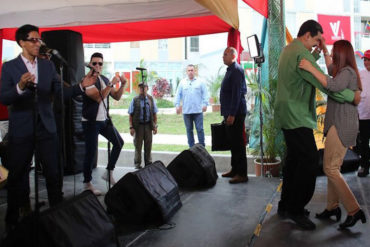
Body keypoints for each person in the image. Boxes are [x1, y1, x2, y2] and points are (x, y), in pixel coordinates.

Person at [0, 24, 96, 231]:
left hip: (47, 127)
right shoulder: (9, 68)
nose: (38, 44)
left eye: (39, 40)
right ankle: (12, 222)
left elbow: (62, 93)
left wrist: (81, 86)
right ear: (21, 42)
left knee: (54, 173)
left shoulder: (47, 66)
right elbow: (4, 97)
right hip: (22, 128)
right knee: (18, 174)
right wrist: (20, 86)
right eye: (33, 40)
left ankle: (58, 216)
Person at [274, 20, 360, 230]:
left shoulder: (289, 49)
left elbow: (310, 69)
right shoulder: (301, 54)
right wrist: (353, 96)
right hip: (297, 116)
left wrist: (319, 53)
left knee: (294, 161)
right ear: (307, 36)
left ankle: (286, 205)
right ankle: (296, 209)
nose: (317, 45)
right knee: (310, 160)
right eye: (316, 41)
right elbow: (328, 85)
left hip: (287, 114)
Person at [299, 39, 367, 229]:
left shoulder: (347, 73)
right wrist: (326, 51)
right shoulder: (343, 71)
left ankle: (354, 210)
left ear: (342, 54)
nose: (334, 55)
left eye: (335, 51)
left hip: (342, 125)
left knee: (330, 168)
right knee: (332, 166)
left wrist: (311, 69)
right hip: (339, 123)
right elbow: (330, 71)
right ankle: (332, 207)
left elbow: (333, 85)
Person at [82, 52, 125, 195]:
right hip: (91, 122)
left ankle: (108, 172)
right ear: (90, 64)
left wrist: (123, 84)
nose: (97, 66)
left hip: (104, 120)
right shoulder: (87, 80)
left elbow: (117, 96)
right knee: (90, 152)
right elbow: (98, 97)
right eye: (94, 63)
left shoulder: (104, 79)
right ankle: (87, 183)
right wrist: (111, 84)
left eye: (100, 63)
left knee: (119, 143)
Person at [219, 47, 248, 184]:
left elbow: (237, 94)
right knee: (233, 142)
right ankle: (235, 169)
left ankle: (242, 173)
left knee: (238, 143)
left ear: (233, 56)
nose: (223, 57)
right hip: (230, 112)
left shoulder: (236, 70)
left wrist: (232, 114)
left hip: (235, 113)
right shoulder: (231, 70)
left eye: (225, 54)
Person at [174, 64, 208, 147]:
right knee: (189, 130)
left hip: (198, 111)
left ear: (194, 71)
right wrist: (177, 105)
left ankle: (202, 147)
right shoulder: (182, 82)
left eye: (192, 70)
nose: (190, 72)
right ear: (186, 72)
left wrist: (205, 104)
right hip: (186, 111)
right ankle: (191, 148)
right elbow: (178, 94)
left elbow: (205, 94)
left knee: (200, 129)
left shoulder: (200, 82)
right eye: (189, 70)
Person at [128, 82, 158, 169]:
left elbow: (155, 114)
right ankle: (137, 165)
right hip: (138, 126)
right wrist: (131, 127)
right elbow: (130, 114)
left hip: (148, 126)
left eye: (144, 88)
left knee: (148, 146)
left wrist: (155, 126)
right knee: (138, 146)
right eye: (140, 88)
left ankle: (148, 164)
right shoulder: (135, 100)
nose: (142, 89)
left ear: (147, 88)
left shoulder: (151, 99)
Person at [357, 50, 370, 177]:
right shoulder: (360, 74)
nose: (366, 62)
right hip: (363, 114)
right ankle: (365, 166)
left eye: (368, 60)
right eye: (365, 60)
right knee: (364, 142)